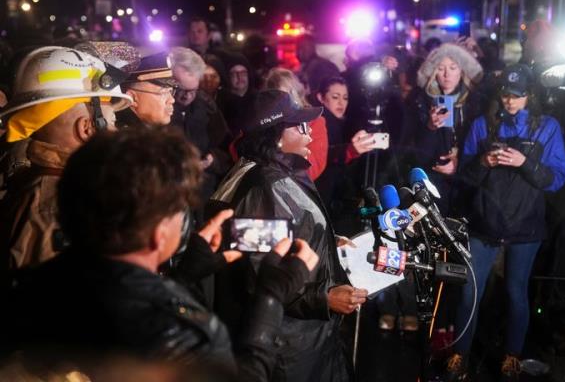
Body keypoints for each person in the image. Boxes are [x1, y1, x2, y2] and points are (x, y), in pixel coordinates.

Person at [0, 127, 319, 382]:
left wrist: (184, 277)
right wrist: (271, 297)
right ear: (159, 233)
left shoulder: (23, 290)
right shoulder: (185, 336)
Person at [208, 90, 368, 382]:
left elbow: (290, 234)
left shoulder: (277, 174)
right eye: (301, 127)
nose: (310, 136)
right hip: (289, 347)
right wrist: (323, 298)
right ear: (275, 136)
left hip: (307, 338)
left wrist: (328, 241)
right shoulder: (263, 188)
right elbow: (260, 276)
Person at [447, 64, 565, 381]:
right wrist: (483, 162)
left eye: (517, 96)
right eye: (505, 95)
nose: (510, 102)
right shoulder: (482, 124)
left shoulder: (548, 127)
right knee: (469, 292)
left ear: (530, 96)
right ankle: (459, 354)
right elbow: (465, 178)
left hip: (525, 225)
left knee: (516, 292)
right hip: (484, 221)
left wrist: (525, 162)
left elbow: (556, 180)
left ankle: (511, 357)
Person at [0, 46, 132, 271]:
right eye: (111, 122)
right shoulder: (55, 205)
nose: (116, 132)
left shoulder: (52, 186)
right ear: (88, 128)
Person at [410, 42, 484, 216]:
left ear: (462, 71)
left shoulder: (476, 103)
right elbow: (416, 153)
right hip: (432, 183)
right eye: (440, 68)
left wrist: (460, 164)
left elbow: (482, 145)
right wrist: (430, 127)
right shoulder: (420, 101)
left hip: (466, 185)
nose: (446, 74)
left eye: (453, 67)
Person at [168, 47, 231, 225]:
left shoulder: (207, 107)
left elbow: (227, 146)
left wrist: (213, 160)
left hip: (205, 196)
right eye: (180, 89)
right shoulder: (160, 110)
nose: (187, 96)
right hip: (173, 199)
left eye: (193, 90)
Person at [314, 76, 377, 234]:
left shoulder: (344, 124)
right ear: (320, 97)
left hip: (337, 202)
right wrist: (349, 151)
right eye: (335, 97)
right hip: (326, 200)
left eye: (345, 98)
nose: (341, 103)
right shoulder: (319, 122)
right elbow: (324, 154)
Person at [265, 67, 328, 181]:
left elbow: (313, 169)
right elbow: (238, 152)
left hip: (297, 189)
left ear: (297, 94)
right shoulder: (264, 121)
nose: (283, 102)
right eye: (277, 96)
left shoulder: (315, 122)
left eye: (287, 95)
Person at [296, 34, 340, 103]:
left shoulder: (323, 66)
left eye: (304, 47)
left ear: (312, 47)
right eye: (298, 48)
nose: (300, 51)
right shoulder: (304, 68)